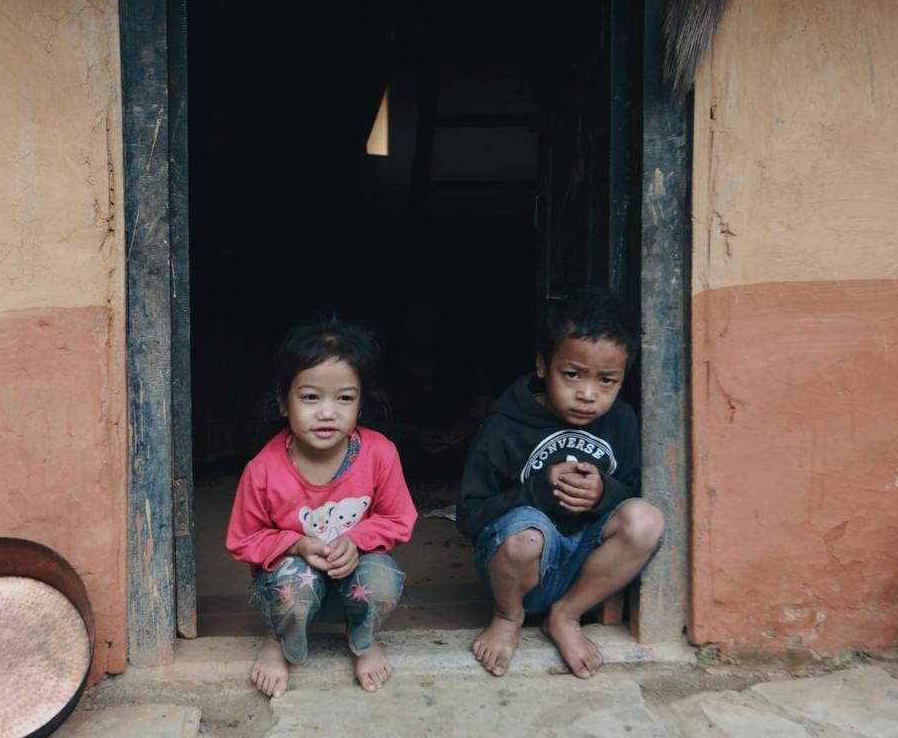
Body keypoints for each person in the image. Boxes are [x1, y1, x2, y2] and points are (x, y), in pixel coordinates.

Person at [457, 288, 664, 679]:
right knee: (527, 536)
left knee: (646, 519)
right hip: (517, 567)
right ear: (542, 365)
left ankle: (565, 616)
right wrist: (537, 492)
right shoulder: (504, 428)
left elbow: (632, 490)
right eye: (572, 374)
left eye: (607, 380)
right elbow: (469, 516)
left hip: (585, 569)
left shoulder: (622, 422)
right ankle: (507, 618)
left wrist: (605, 492)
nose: (587, 394)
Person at [226, 317, 417, 697]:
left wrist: (357, 539)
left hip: (355, 583)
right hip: (295, 588)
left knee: (382, 579)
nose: (327, 412)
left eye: (344, 398)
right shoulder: (263, 469)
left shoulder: (380, 454)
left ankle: (362, 637)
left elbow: (400, 519)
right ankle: (281, 640)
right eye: (311, 397)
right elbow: (242, 540)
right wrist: (295, 545)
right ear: (284, 400)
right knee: (292, 581)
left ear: (361, 403)